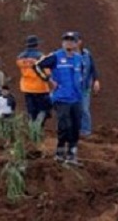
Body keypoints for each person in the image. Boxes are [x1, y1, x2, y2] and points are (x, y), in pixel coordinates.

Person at [35, 32, 84, 166]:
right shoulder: (55, 57)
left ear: (76, 43)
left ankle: (72, 154)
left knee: (76, 126)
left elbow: (82, 74)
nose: (68, 43)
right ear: (62, 43)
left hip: (76, 98)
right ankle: (60, 152)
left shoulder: (79, 59)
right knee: (65, 125)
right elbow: (37, 66)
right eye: (66, 40)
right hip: (61, 98)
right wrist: (48, 79)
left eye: (71, 40)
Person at [19, 35, 51, 126]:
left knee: (31, 110)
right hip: (40, 88)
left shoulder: (20, 58)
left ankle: (31, 128)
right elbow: (47, 72)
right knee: (44, 109)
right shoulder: (41, 57)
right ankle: (37, 128)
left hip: (27, 87)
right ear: (37, 45)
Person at [77, 33, 101, 137]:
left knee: (84, 109)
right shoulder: (68, 55)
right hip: (71, 88)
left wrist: (96, 80)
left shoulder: (87, 54)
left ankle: (86, 131)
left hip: (85, 87)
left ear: (80, 41)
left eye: (77, 40)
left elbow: (93, 68)